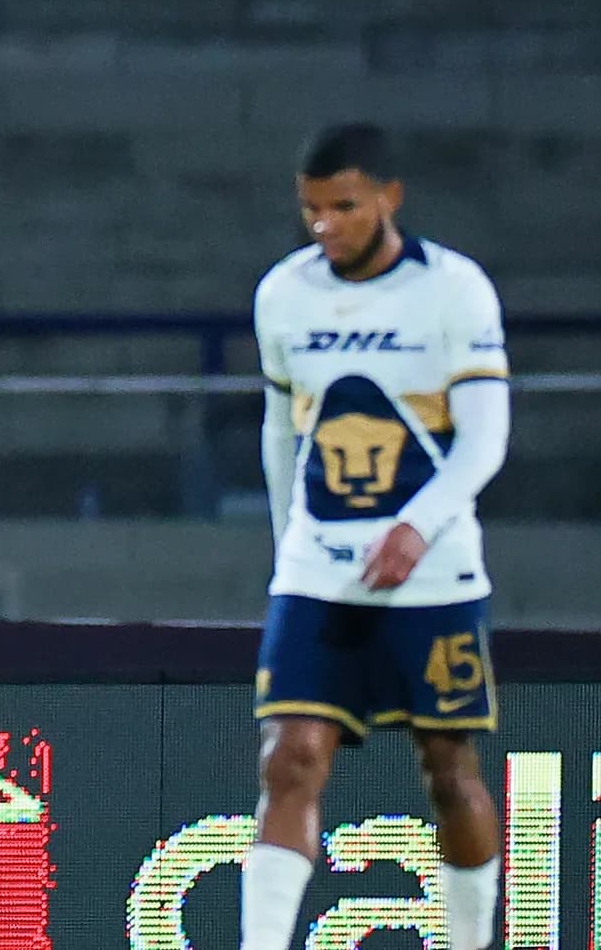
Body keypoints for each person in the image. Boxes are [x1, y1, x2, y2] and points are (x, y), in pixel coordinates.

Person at [245, 123, 510, 950]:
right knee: (289, 759)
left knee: (449, 768)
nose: (326, 225)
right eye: (312, 208)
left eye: (345, 206)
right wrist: (289, 536)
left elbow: (484, 437)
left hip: (432, 578)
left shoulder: (453, 289)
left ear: (390, 199)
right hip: (319, 573)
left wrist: (416, 528)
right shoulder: (283, 294)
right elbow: (282, 426)